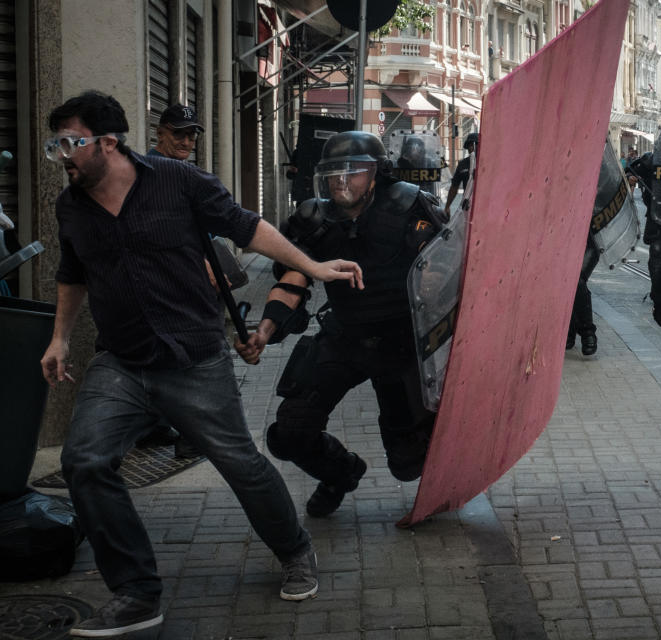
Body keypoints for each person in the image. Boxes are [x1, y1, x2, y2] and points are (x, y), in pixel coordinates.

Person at [40, 91, 364, 637]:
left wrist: (311, 265)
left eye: (70, 143)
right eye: (56, 146)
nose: (62, 156)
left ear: (108, 142)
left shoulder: (177, 181)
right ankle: (137, 592)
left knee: (241, 464)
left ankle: (294, 550)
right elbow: (73, 273)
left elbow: (247, 227)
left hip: (193, 358)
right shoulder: (71, 205)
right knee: (85, 461)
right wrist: (59, 339)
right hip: (121, 361)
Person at [235, 131, 447, 519]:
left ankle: (440, 450)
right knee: (290, 433)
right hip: (345, 337)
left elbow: (447, 273)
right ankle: (340, 473)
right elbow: (291, 281)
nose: (342, 181)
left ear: (377, 173)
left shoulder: (410, 207)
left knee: (407, 461)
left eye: (354, 171)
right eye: (334, 173)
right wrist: (263, 332)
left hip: (401, 346)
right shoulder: (314, 219)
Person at [139, 103, 208, 458]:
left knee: (158, 357)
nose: (186, 140)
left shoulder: (179, 171)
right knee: (188, 359)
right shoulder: (151, 171)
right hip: (164, 284)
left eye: (192, 133)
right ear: (160, 132)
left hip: (167, 282)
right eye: (179, 133)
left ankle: (151, 428)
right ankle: (189, 435)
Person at [444, 132, 478, 217]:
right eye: (469, 146)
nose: (471, 148)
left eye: (473, 145)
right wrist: (447, 207)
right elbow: (454, 187)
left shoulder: (488, 163)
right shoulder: (463, 164)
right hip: (468, 205)